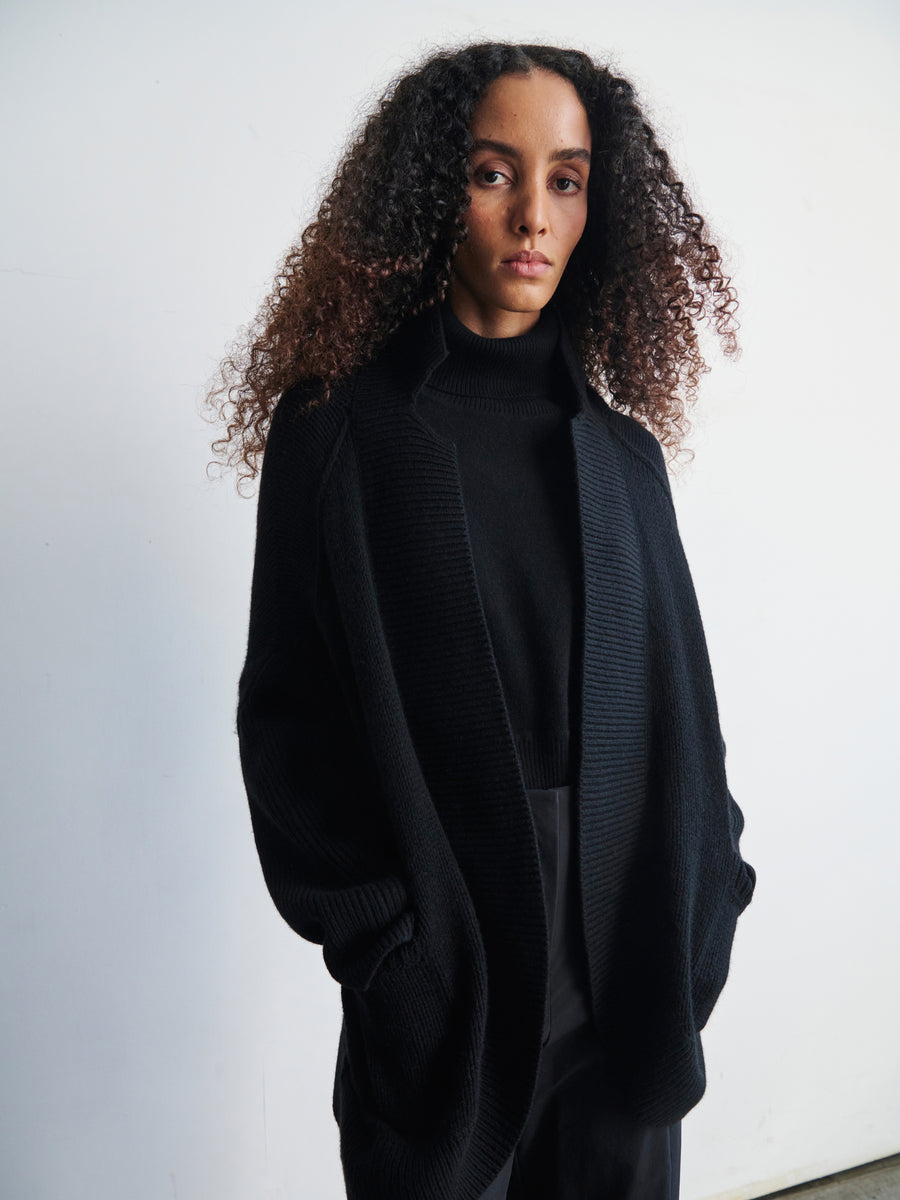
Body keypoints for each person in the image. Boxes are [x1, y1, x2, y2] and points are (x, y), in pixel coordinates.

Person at [206, 40, 757, 1200]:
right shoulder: (339, 437)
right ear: (429, 190)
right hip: (450, 994)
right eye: (493, 172)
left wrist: (709, 911)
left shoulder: (624, 459)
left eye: (566, 178)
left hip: (630, 987)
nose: (533, 217)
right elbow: (286, 727)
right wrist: (391, 958)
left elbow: (688, 722)